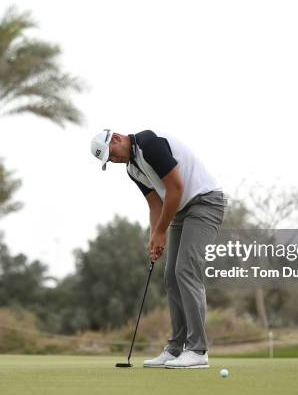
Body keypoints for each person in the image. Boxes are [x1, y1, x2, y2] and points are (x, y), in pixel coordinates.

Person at [90, 129, 226, 369]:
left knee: (186, 271)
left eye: (111, 154)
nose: (113, 160)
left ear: (117, 139)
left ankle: (197, 350)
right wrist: (154, 237)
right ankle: (175, 349)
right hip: (181, 210)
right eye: (108, 160)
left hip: (205, 202)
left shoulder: (148, 143)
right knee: (171, 277)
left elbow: (175, 188)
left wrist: (162, 231)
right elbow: (155, 204)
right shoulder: (132, 169)